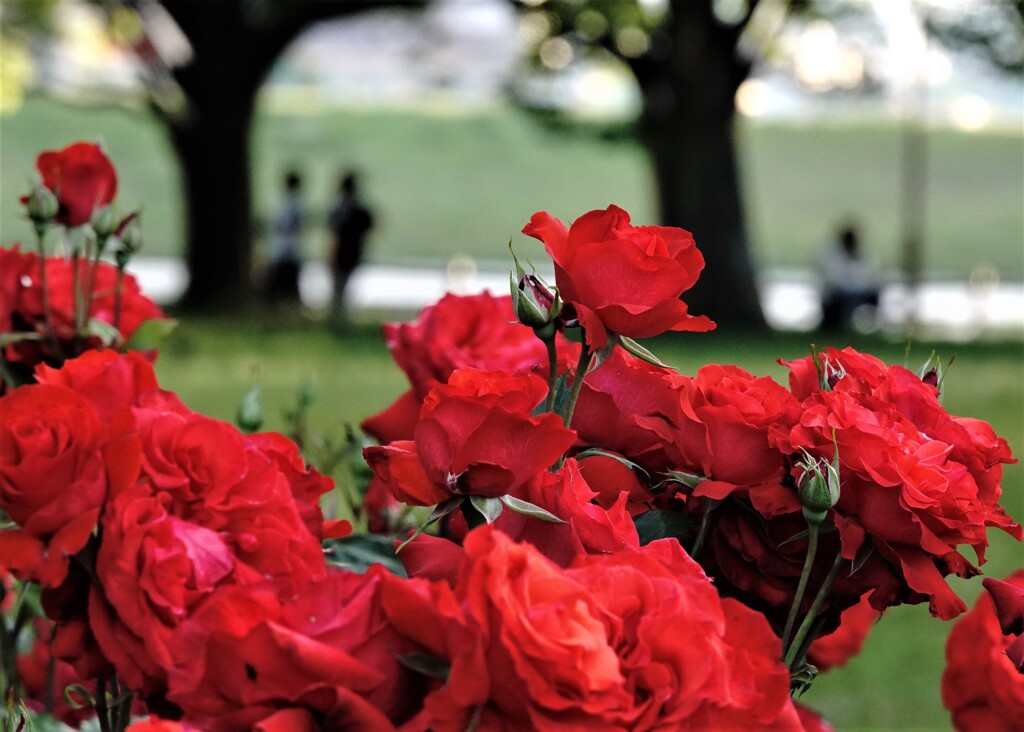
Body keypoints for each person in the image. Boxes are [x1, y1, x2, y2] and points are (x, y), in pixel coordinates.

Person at [328, 171, 374, 329]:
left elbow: (333, 232)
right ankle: (341, 319)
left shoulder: (340, 209)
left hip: (343, 253)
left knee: (339, 288)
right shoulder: (358, 210)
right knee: (343, 288)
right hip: (353, 252)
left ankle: (338, 319)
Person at [818, 224, 880, 330]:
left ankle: (869, 324)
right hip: (835, 295)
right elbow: (833, 280)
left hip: (855, 293)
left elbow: (870, 276)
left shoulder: (860, 254)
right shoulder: (831, 254)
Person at [266, 170, 303, 303]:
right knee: (287, 285)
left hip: (281, 249)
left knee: (279, 286)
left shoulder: (283, 203)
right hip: (289, 250)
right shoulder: (295, 204)